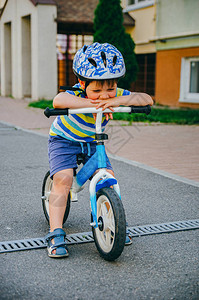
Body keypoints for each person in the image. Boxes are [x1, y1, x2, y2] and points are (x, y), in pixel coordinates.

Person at [46, 42, 153, 258]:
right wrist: (91, 104)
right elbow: (59, 100)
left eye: (110, 88)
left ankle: (113, 220)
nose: (104, 94)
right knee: (63, 180)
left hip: (94, 141)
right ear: (82, 83)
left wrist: (118, 99)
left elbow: (146, 99)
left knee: (108, 177)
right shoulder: (77, 93)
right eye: (96, 89)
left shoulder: (114, 93)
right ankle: (55, 231)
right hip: (64, 140)